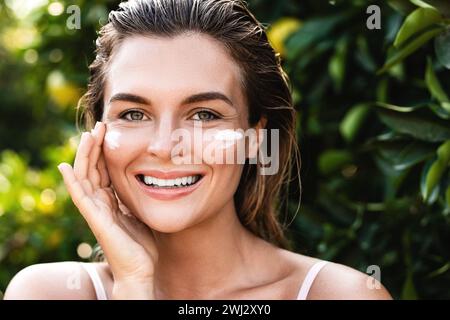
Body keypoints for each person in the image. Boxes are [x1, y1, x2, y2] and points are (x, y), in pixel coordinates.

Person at [4, 0, 392, 300]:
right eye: (135, 114)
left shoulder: (340, 294)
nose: (164, 146)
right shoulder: (49, 291)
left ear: (256, 136)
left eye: (204, 114)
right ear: (98, 133)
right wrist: (134, 285)